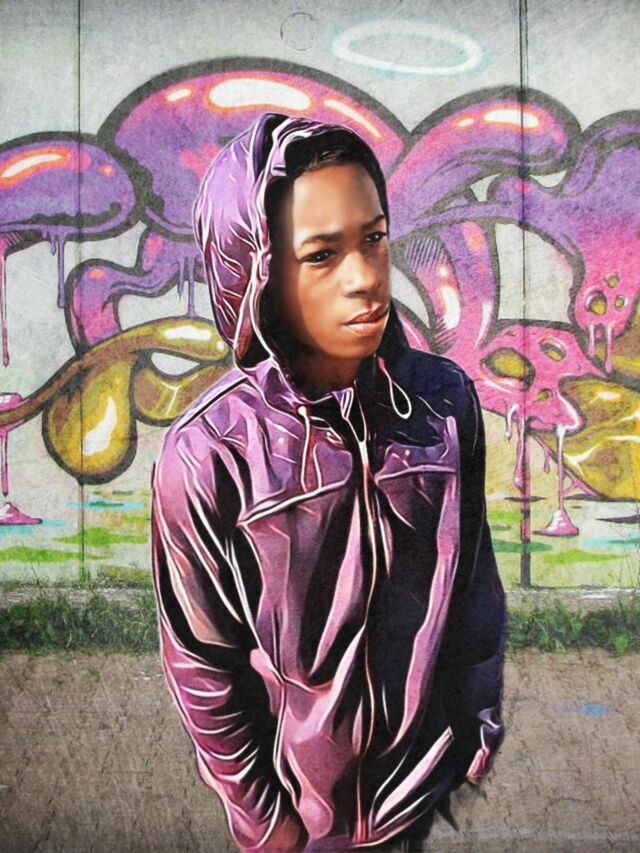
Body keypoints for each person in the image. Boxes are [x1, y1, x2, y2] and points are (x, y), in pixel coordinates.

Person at [151, 112, 506, 852]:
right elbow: (203, 662)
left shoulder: (444, 403)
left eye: (374, 239)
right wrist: (267, 822)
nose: (365, 278)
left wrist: (476, 715)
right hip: (301, 818)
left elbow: (473, 582)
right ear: (257, 277)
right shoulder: (211, 453)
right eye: (322, 255)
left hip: (424, 795)